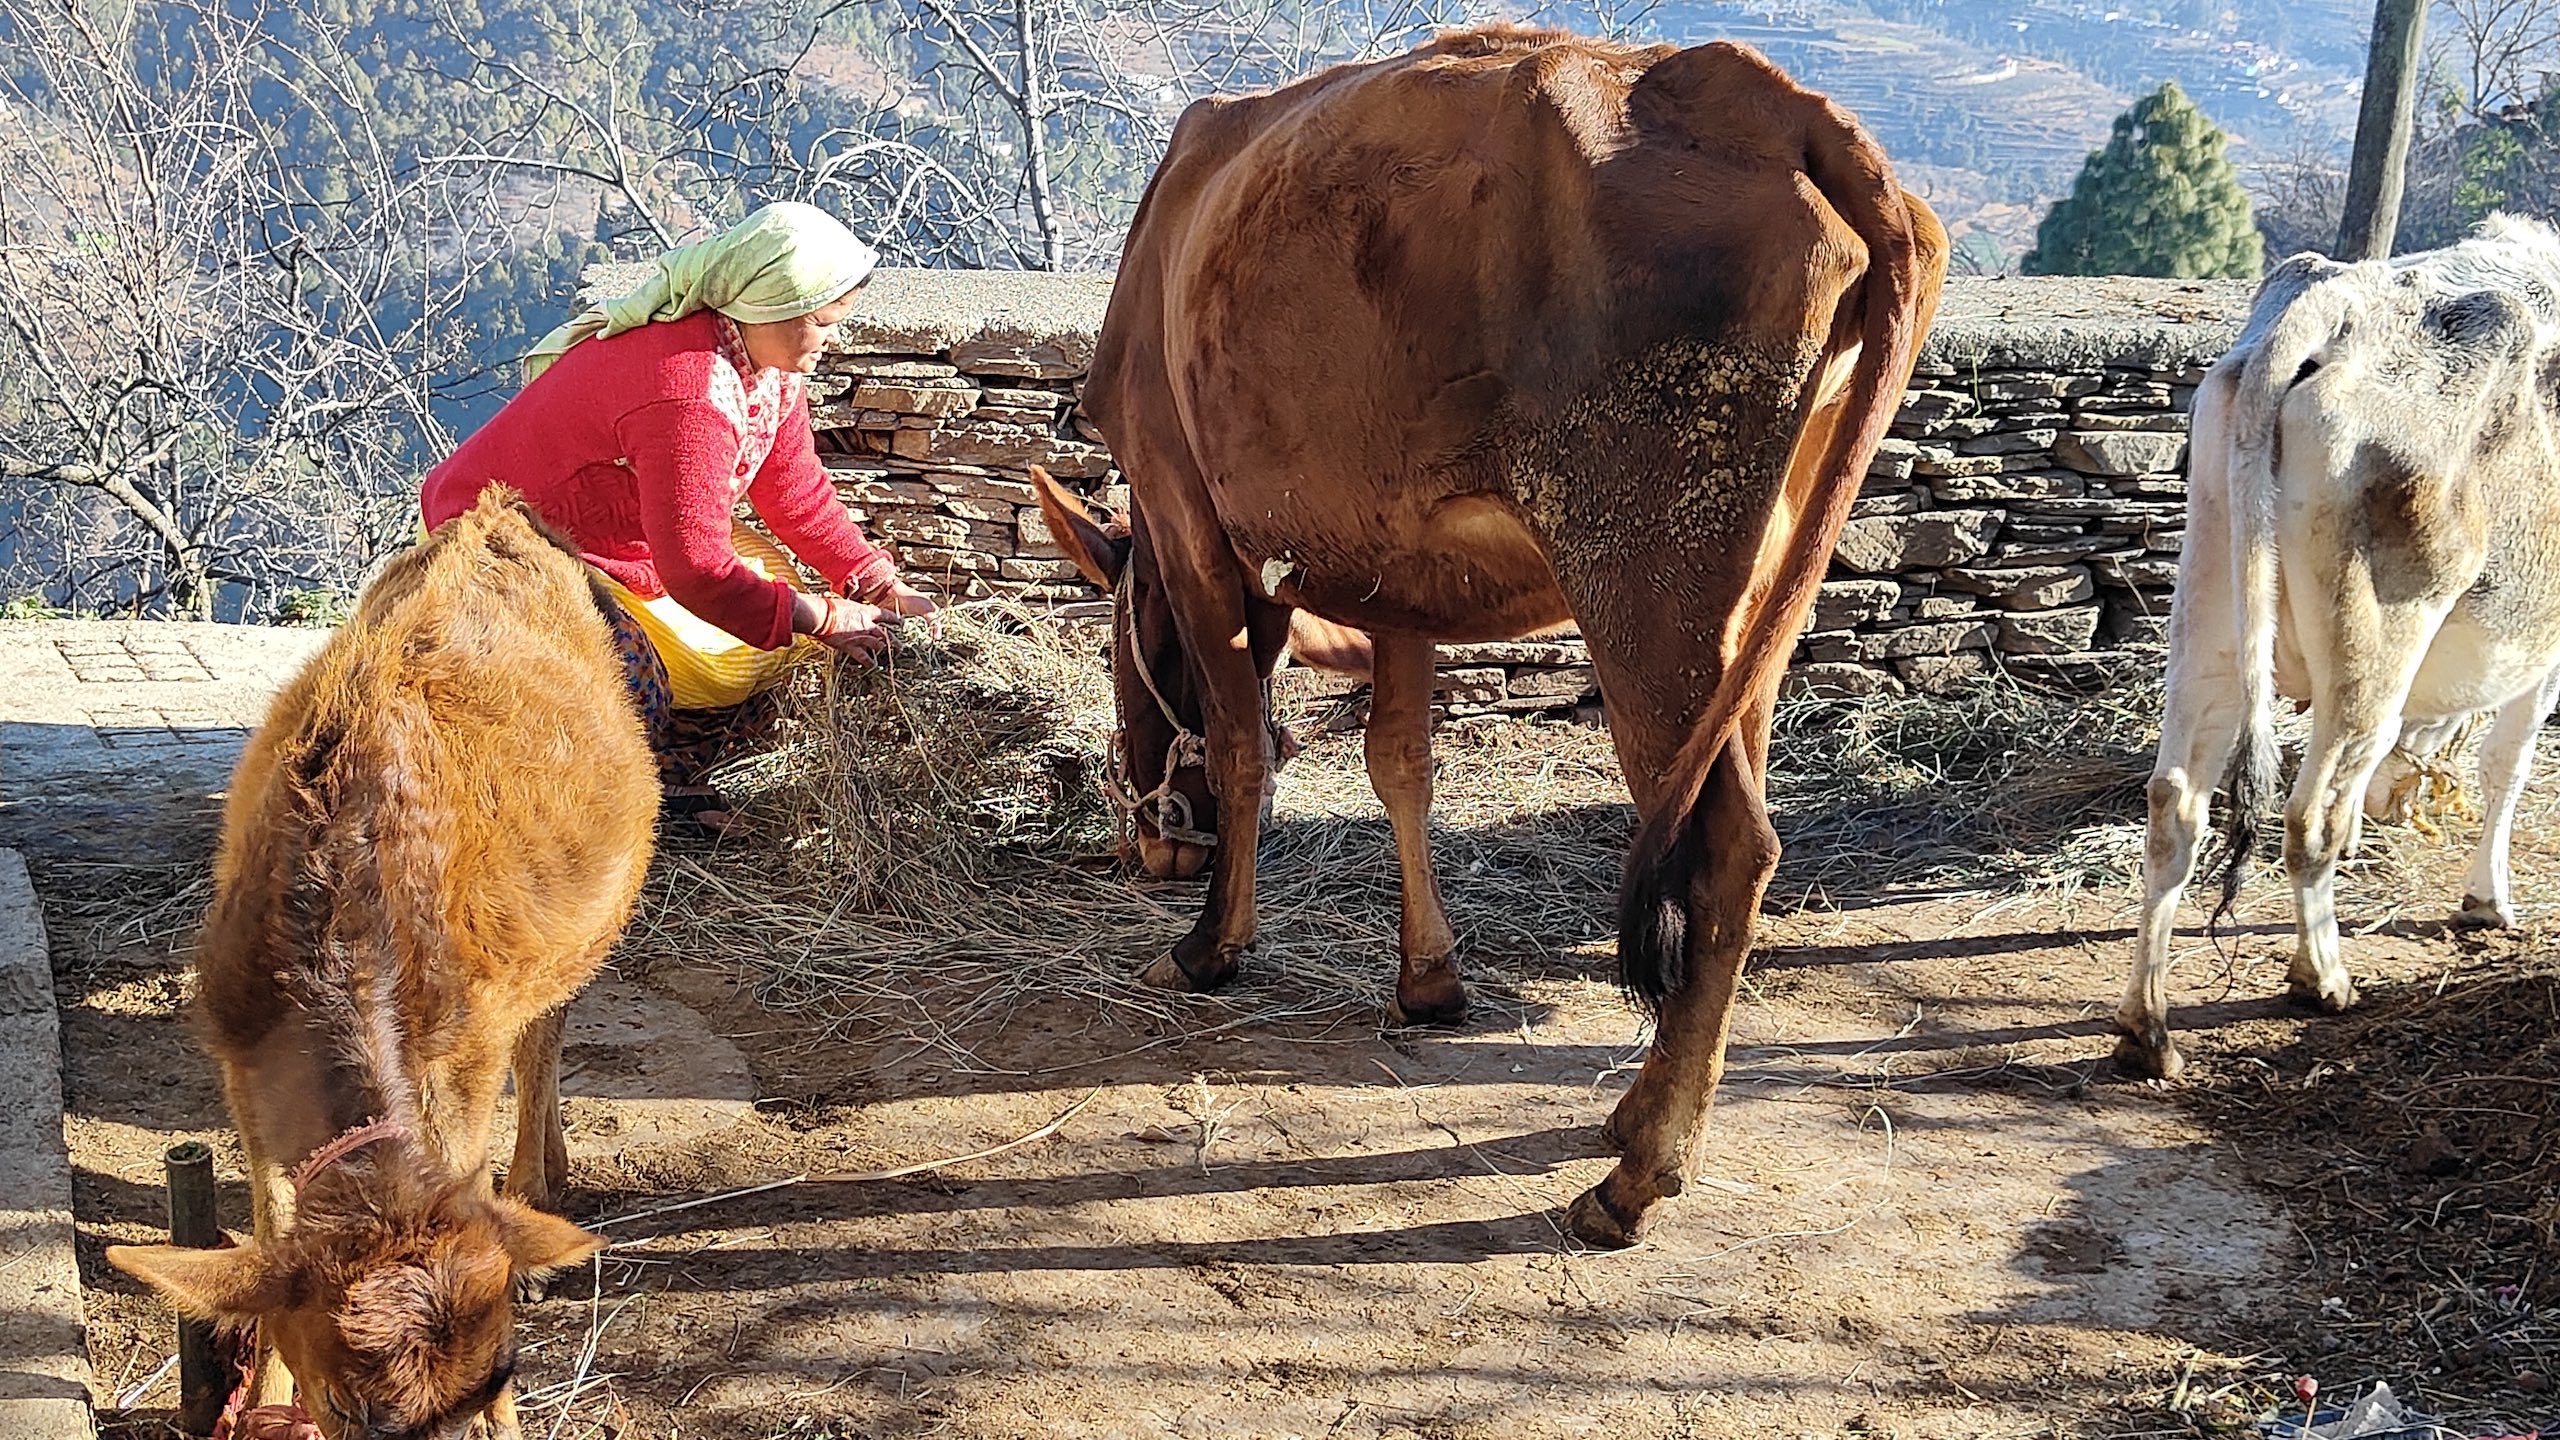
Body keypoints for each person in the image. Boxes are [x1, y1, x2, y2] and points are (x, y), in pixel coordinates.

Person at [421, 201, 936, 828]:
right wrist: (824, 616)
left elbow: (794, 489)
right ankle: (626, 802)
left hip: (618, 533)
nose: (836, 339)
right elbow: (696, 569)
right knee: (622, 668)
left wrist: (874, 581)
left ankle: (682, 758)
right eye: (825, 322)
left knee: (764, 635)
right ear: (769, 307)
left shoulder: (762, 364)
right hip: (507, 535)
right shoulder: (687, 392)